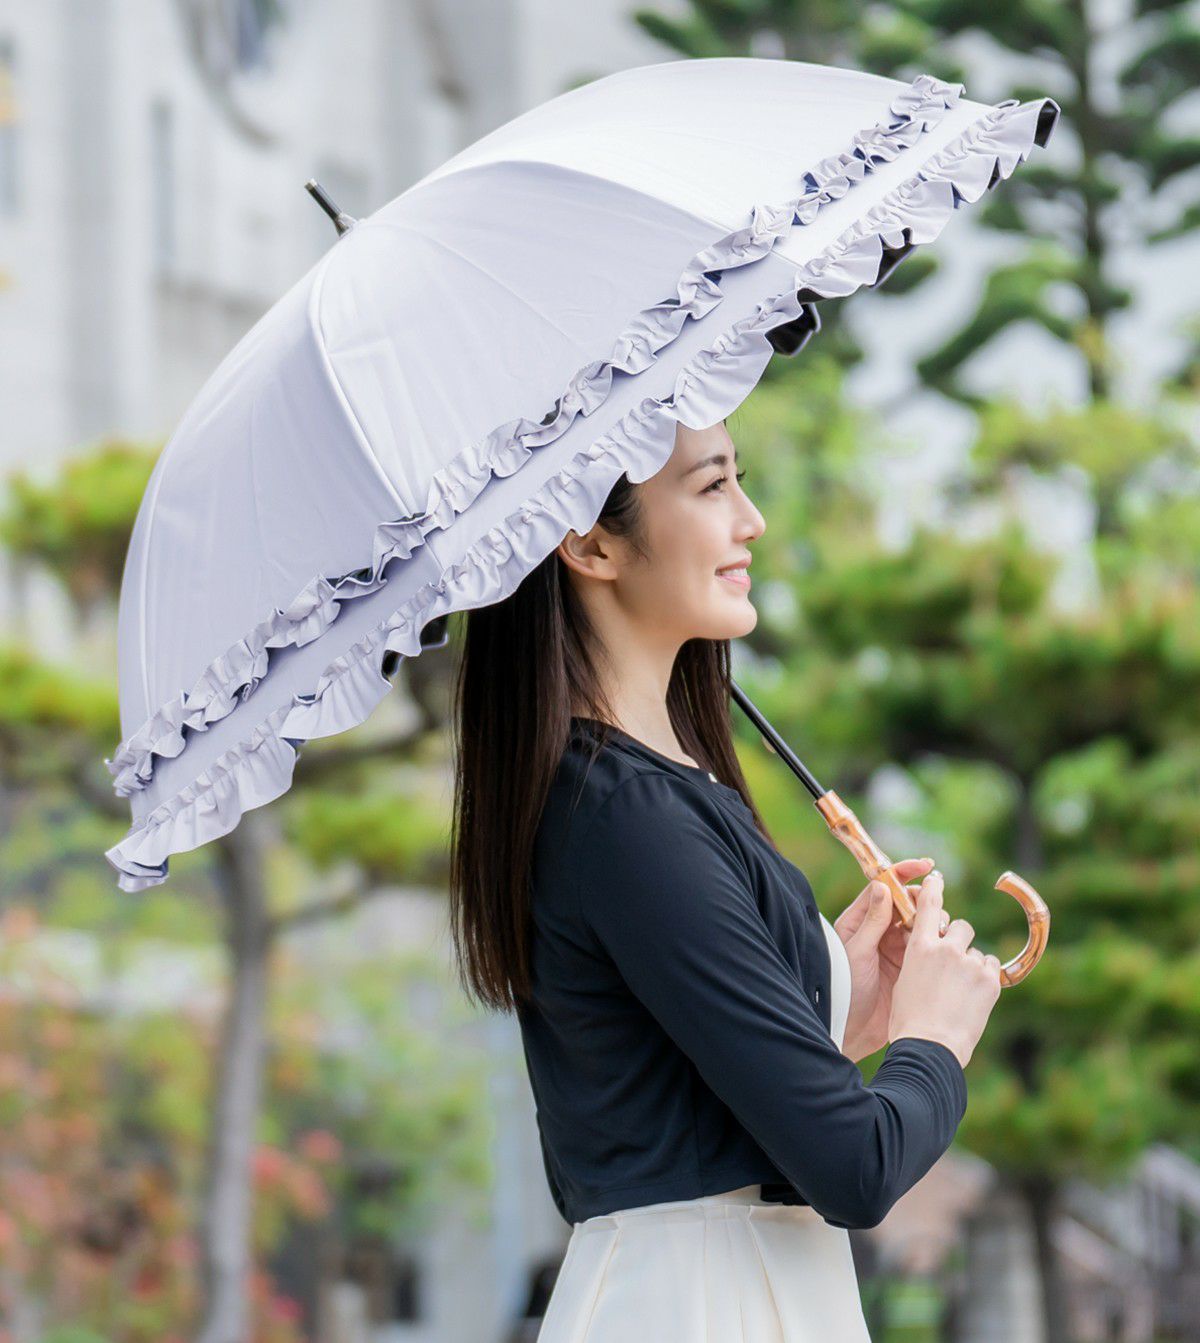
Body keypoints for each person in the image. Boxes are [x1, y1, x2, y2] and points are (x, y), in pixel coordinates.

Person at [446, 416, 1004, 1341]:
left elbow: (680, 1094)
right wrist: (933, 1041)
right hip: (704, 1300)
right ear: (589, 541)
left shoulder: (647, 789)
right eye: (711, 487)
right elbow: (856, 1168)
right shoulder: (626, 814)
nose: (752, 520)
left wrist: (837, 1011)